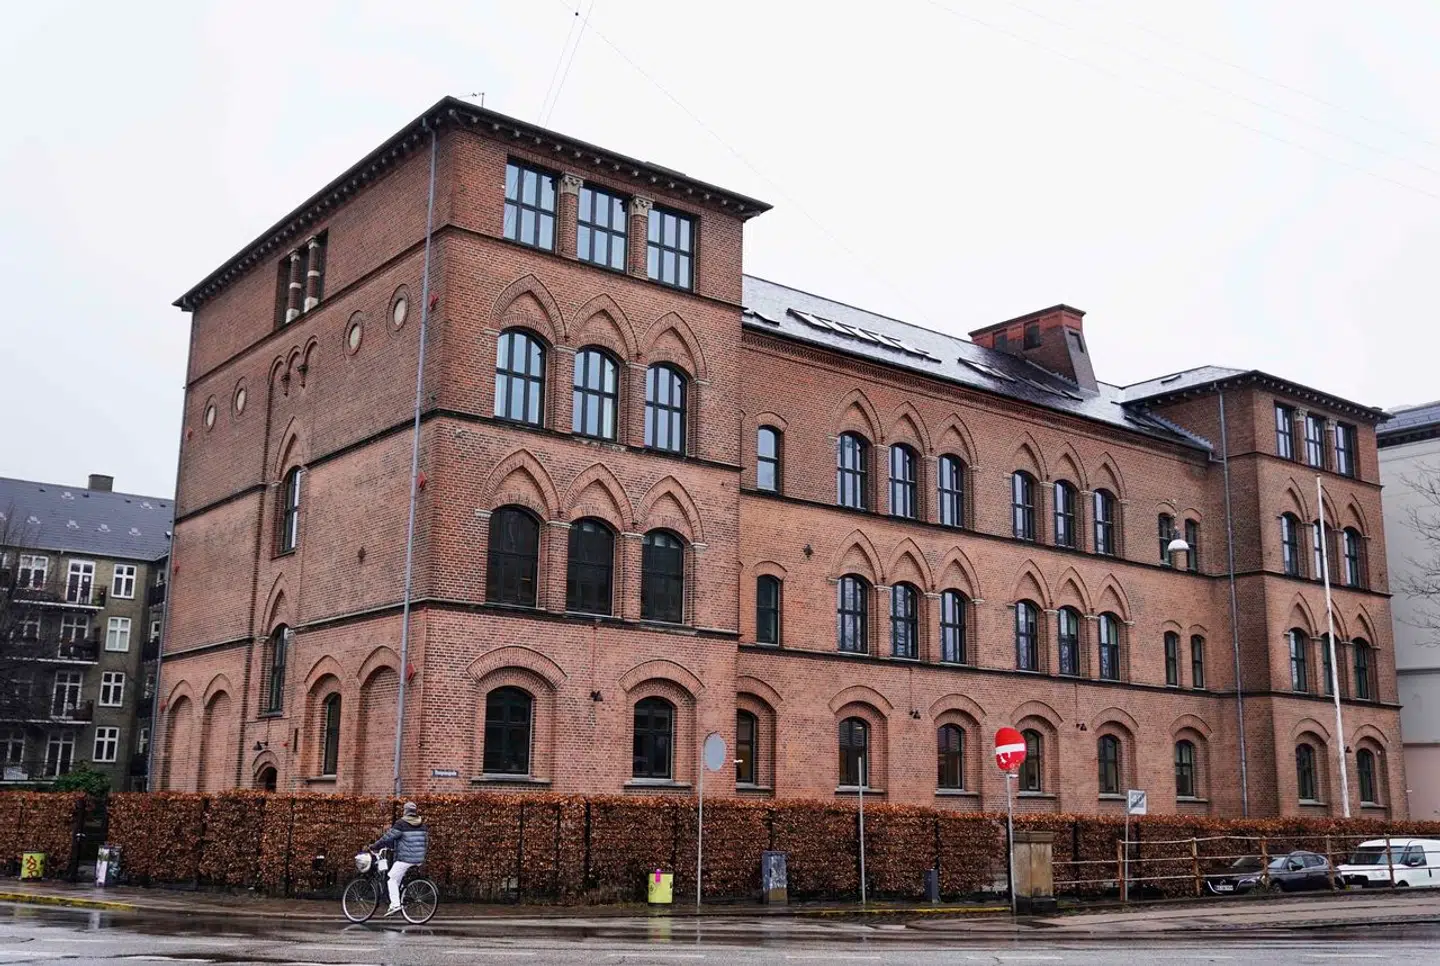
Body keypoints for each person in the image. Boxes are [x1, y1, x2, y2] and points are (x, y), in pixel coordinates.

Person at [370, 801, 429, 916]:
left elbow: (388, 837)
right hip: (419, 858)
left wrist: (375, 846)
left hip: (405, 859)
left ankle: (395, 904)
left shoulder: (401, 823)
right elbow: (426, 842)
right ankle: (402, 894)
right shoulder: (423, 825)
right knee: (399, 877)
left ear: (405, 811)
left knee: (391, 879)